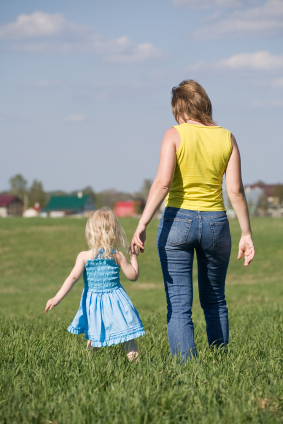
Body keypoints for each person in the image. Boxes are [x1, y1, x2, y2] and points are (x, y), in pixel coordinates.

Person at [131, 80, 255, 362]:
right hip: (216, 223)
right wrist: (246, 233)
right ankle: (222, 364)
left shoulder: (173, 135)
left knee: (178, 304)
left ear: (181, 107)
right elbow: (234, 190)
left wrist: (142, 223)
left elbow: (163, 184)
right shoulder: (227, 137)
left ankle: (186, 370)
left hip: (177, 220)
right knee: (215, 301)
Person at [45, 207, 145, 361]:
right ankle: (140, 369)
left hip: (94, 303)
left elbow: (72, 278)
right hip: (117, 302)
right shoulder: (117, 255)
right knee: (127, 339)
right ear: (114, 231)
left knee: (93, 337)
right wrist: (133, 256)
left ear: (91, 232)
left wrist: (57, 298)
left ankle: (89, 368)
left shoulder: (84, 256)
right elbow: (133, 276)